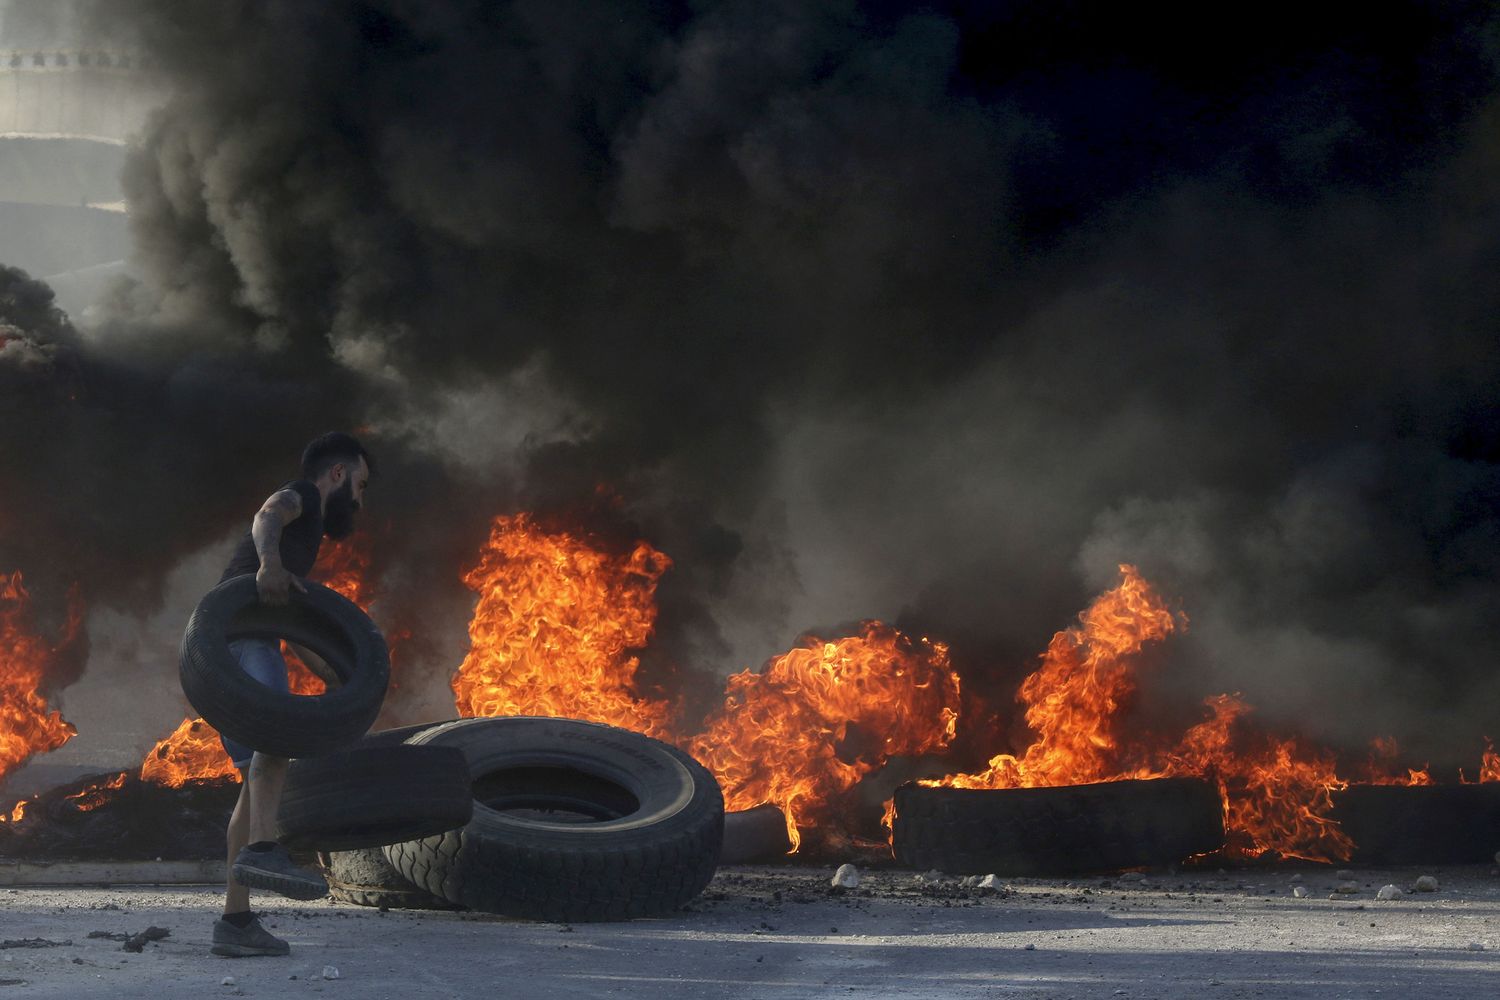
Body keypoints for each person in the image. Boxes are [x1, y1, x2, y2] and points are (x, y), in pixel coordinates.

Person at [209, 432, 374, 958]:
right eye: (362, 486)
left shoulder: (309, 539)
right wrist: (269, 563)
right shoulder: (300, 494)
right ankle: (263, 847)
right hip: (237, 636)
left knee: (250, 787)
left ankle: (235, 923)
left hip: (238, 644)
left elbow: (293, 623)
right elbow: (266, 515)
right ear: (340, 475)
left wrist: (336, 678)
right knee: (277, 733)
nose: (361, 502)